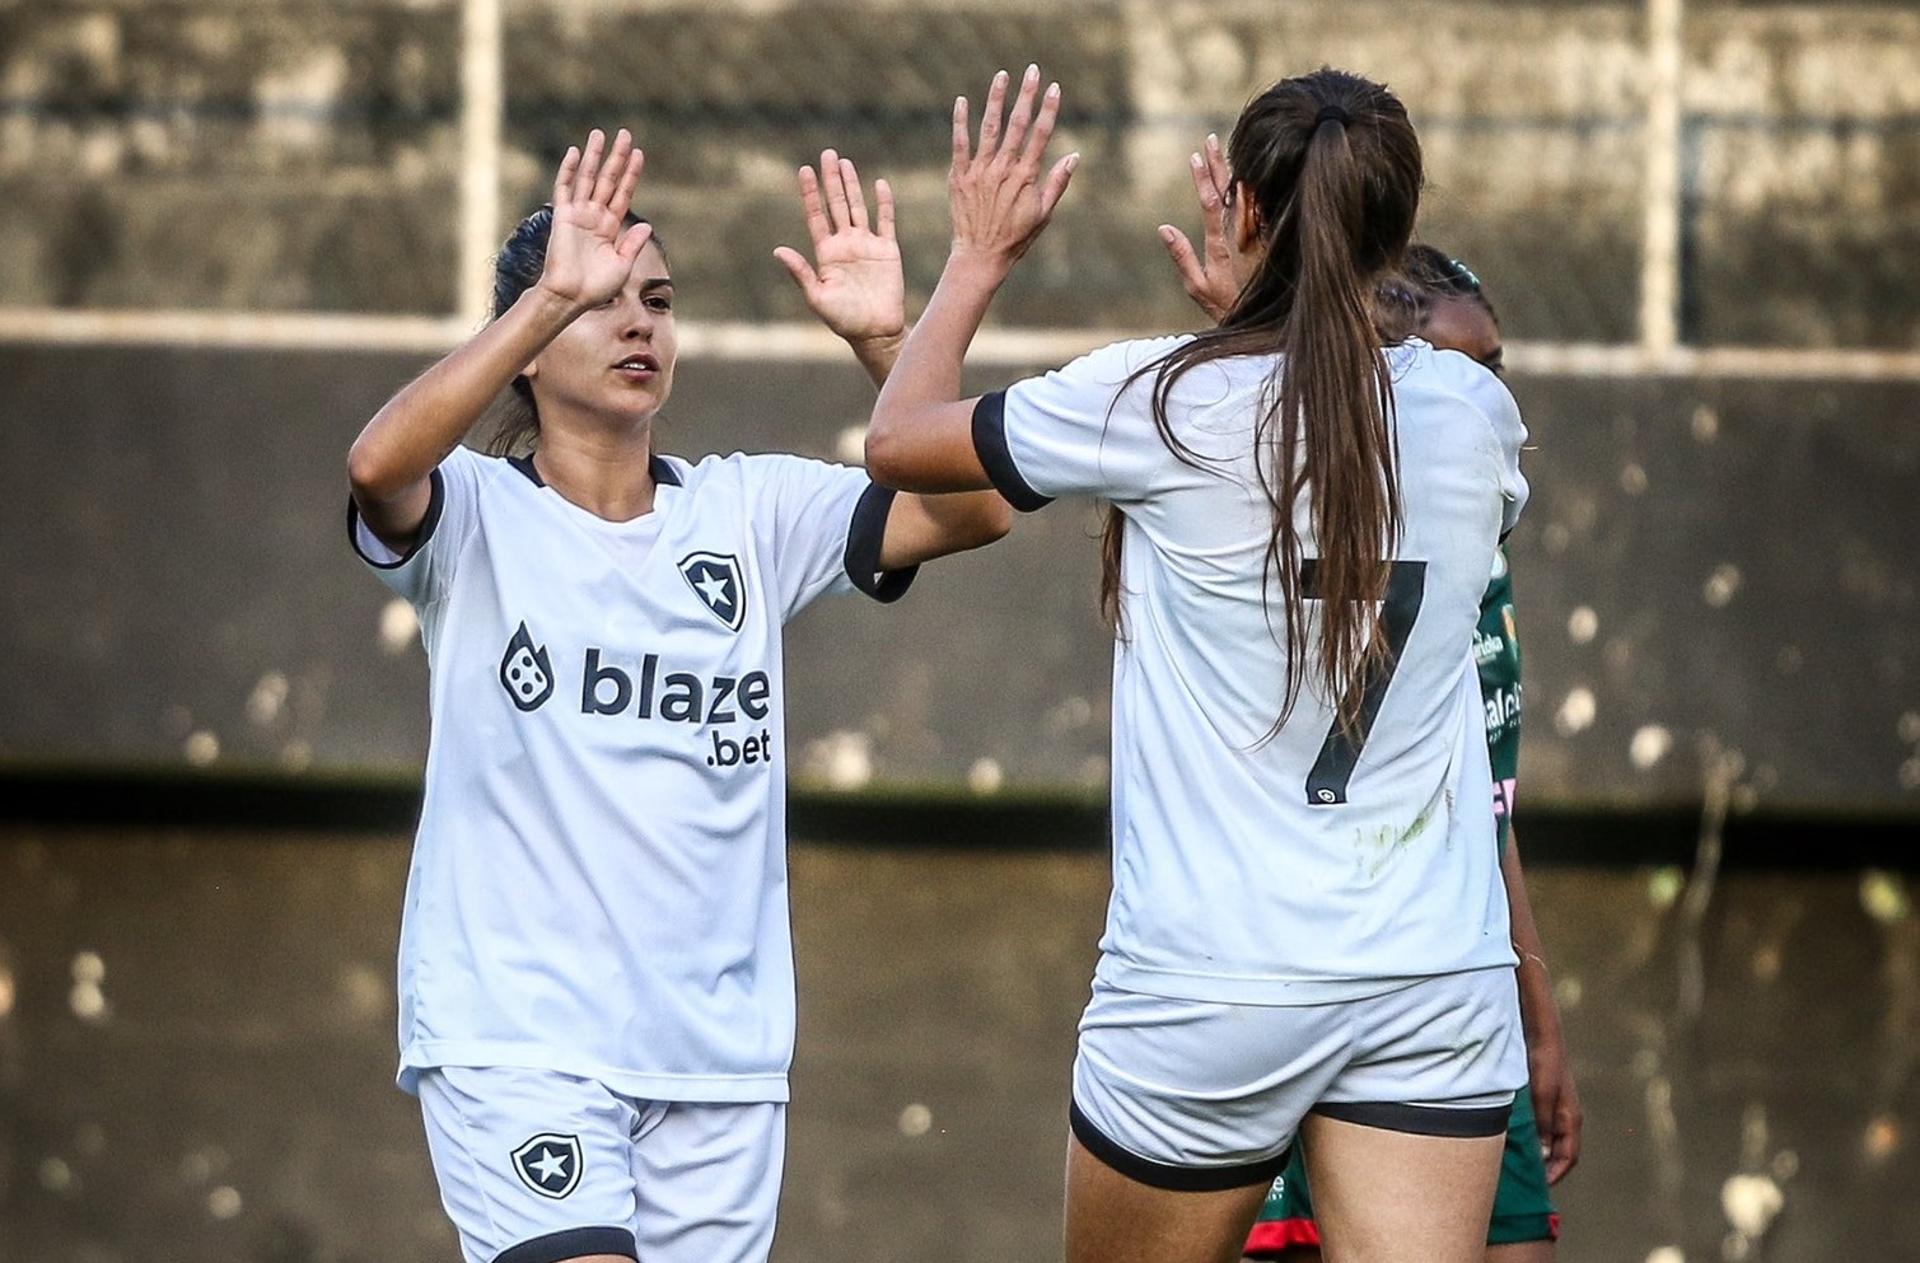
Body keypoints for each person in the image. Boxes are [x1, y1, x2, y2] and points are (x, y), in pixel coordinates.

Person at [865, 67, 1531, 1262]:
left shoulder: (1159, 399)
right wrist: (1260, 317)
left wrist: (976, 258)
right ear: (1400, 227)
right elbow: (1348, 413)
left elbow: (897, 440)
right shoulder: (1474, 419)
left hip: (1210, 982)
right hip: (1430, 979)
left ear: (1244, 212)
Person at [345, 128, 1010, 1263]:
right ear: (533, 343)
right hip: (521, 1045)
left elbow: (975, 509)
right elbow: (375, 468)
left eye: (657, 299)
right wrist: (547, 296)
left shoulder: (747, 514)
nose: (638, 321)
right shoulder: (473, 517)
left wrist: (888, 343)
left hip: (720, 1064)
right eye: (604, 301)